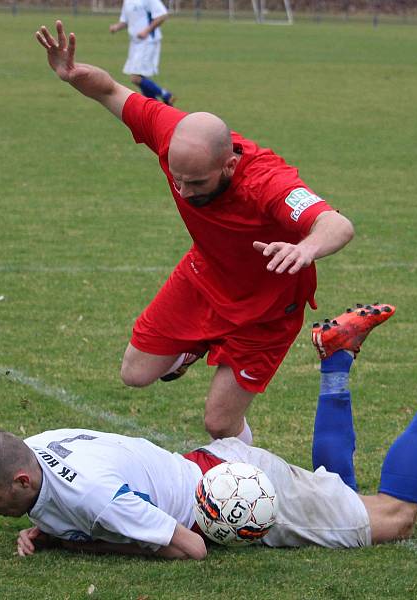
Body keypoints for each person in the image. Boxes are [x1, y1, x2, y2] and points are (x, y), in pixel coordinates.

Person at [0, 303, 417, 559]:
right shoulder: (43, 445)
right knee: (338, 493)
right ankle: (337, 358)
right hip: (211, 464)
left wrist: (75, 545)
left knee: (393, 518)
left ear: (22, 479)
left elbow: (189, 548)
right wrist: (55, 533)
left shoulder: (90, 496)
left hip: (230, 499)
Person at [35, 21, 356, 444]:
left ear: (228, 165)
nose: (184, 192)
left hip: (268, 305)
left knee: (219, 424)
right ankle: (195, 346)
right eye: (177, 179)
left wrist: (307, 248)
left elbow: (337, 224)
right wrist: (75, 76)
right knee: (134, 373)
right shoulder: (169, 132)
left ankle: (248, 490)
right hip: (205, 275)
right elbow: (112, 91)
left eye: (197, 183)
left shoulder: (268, 183)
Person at [109, 0, 175, 105]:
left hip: (148, 41)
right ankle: (155, 107)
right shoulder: (127, 1)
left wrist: (147, 31)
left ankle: (166, 95)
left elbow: (162, 15)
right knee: (141, 78)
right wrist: (116, 27)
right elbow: (125, 21)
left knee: (136, 77)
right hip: (135, 43)